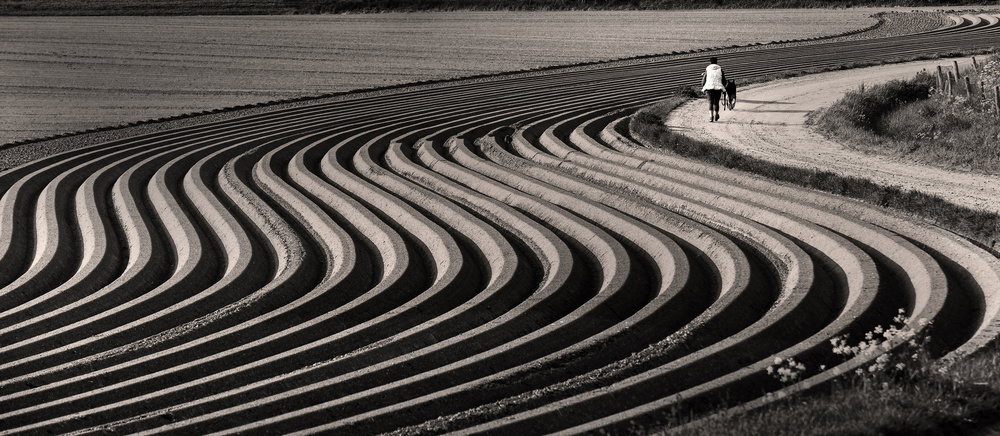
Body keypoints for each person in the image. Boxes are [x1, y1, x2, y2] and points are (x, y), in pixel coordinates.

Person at [701, 57, 727, 122]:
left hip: (709, 88)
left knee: (710, 102)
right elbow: (724, 80)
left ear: (710, 62)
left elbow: (704, 79)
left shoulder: (708, 68)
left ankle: (711, 117)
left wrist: (703, 87)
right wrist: (723, 87)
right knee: (716, 103)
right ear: (716, 62)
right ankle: (716, 115)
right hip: (718, 88)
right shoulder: (720, 69)